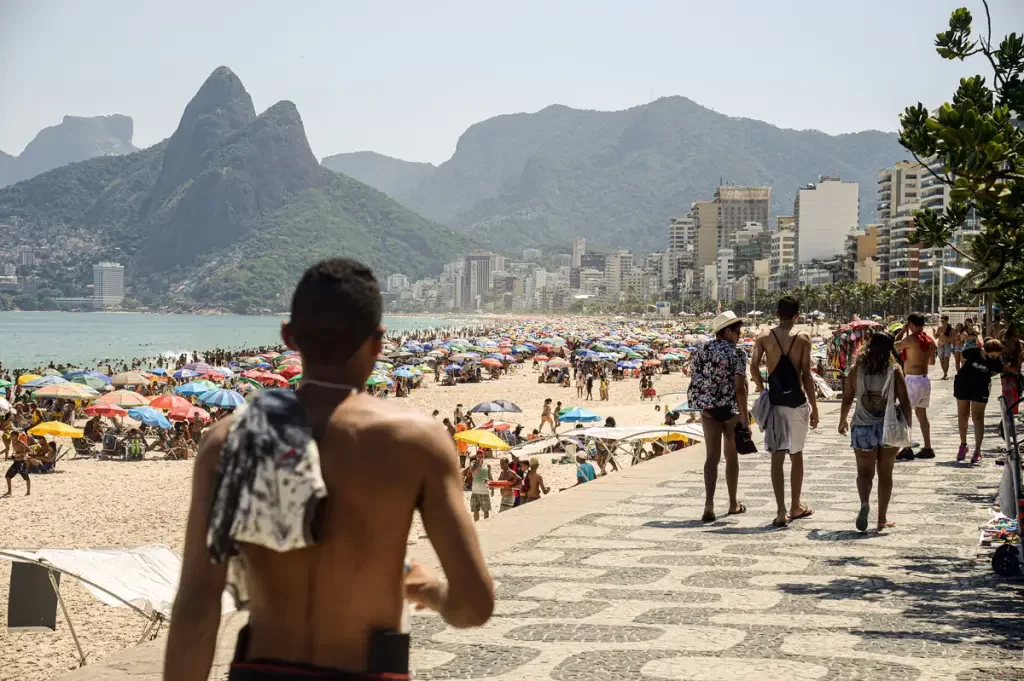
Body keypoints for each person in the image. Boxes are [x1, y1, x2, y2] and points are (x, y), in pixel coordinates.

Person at [164, 258, 493, 681]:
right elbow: (473, 606)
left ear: (288, 337)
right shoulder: (415, 441)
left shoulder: (230, 439)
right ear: (378, 341)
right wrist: (431, 590)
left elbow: (197, 601)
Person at [749, 296, 819, 527]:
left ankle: (780, 511)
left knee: (777, 457)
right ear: (797, 315)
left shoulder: (764, 337)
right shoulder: (803, 338)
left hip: (776, 403)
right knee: (796, 455)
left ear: (777, 314)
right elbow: (807, 375)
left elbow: (753, 366)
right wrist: (815, 407)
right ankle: (795, 506)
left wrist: (761, 388)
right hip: (797, 403)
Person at [837, 333, 911, 532]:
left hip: (862, 426)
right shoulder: (894, 370)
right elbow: (905, 401)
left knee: (864, 473)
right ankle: (881, 519)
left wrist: (842, 419)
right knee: (885, 475)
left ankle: (864, 503)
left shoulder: (856, 370)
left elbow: (847, 398)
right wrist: (908, 428)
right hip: (888, 427)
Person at [687, 311, 749, 523]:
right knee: (731, 457)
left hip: (708, 408)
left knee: (711, 458)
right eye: (737, 331)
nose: (740, 335)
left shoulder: (702, 350)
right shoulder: (737, 354)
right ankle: (732, 503)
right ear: (727, 331)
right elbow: (740, 389)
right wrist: (745, 418)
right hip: (730, 409)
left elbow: (693, 373)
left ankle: (709, 505)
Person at [953, 338, 1005, 464]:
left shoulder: (997, 363)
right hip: (964, 383)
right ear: (984, 350)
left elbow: (996, 371)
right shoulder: (973, 352)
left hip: (981, 386)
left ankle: (977, 450)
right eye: (991, 355)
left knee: (978, 417)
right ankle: (963, 445)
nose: (993, 358)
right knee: (963, 415)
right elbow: (962, 357)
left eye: (996, 356)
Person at [894, 313, 936, 460]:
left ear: (910, 324)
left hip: (912, 380)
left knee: (905, 414)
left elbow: (893, 345)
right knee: (922, 415)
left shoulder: (910, 339)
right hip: (924, 380)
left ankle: (907, 447)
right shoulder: (929, 340)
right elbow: (931, 362)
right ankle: (927, 447)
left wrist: (901, 331)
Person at [466, 450, 493, 522]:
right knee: (475, 510)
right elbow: (473, 472)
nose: (480, 457)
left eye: (482, 456)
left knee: (486, 510)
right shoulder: (473, 464)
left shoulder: (487, 466)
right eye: (479, 456)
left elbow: (490, 477)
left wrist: (492, 488)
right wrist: (478, 464)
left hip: (485, 491)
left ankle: (486, 525)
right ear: (476, 456)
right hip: (475, 491)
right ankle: (477, 525)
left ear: (484, 456)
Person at [4, 430, 32, 496]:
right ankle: (9, 491)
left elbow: (29, 450)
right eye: (11, 435)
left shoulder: (20, 442)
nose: (11, 436)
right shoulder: (12, 442)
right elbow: (10, 449)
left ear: (16, 436)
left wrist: (20, 454)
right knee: (8, 476)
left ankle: (28, 492)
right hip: (16, 462)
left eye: (12, 435)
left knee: (26, 478)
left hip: (22, 462)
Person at [934, 314, 954, 380]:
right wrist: (934, 332)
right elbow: (936, 337)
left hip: (947, 345)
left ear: (947, 321)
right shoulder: (940, 328)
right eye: (941, 321)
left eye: (943, 321)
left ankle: (945, 374)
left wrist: (946, 338)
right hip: (940, 346)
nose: (942, 322)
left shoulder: (951, 329)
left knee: (946, 360)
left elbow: (952, 338)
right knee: (941, 361)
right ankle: (945, 373)